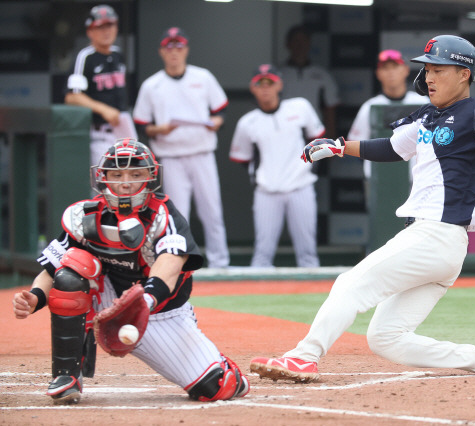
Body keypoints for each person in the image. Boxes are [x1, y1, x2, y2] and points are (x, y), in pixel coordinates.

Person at [249, 35, 475, 382]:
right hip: (440, 245)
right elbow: (391, 147)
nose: (429, 77)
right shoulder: (429, 116)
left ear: (464, 74)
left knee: (350, 284)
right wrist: (340, 147)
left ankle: (304, 356)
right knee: (386, 339)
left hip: (437, 234)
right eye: (427, 69)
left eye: (439, 69)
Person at [12, 138, 248, 405]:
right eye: (117, 174)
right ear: (103, 178)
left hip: (160, 311)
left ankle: (225, 371)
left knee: (215, 387)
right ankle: (67, 377)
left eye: (135, 174)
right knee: (72, 269)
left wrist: (141, 305)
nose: (125, 182)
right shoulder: (84, 216)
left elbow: (169, 266)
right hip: (108, 296)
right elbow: (52, 268)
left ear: (150, 177)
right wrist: (35, 297)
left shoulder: (163, 215)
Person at [133, 27, 230, 268]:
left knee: (212, 212)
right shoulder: (151, 85)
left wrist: (215, 123)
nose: (174, 52)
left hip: (202, 152)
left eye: (178, 47)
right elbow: (142, 124)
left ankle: (220, 264)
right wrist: (160, 129)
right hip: (171, 155)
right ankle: (179, 263)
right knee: (178, 214)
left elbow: (221, 111)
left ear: (186, 49)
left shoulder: (203, 77)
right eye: (169, 47)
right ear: (161, 52)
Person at [229, 65, 325, 268]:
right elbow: (242, 159)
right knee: (262, 254)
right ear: (252, 88)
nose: (265, 88)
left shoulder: (300, 107)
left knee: (308, 254)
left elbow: (317, 140)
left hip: (301, 186)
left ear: (279, 85)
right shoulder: (247, 122)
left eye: (270, 83)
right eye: (260, 84)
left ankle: (314, 298)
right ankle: (255, 299)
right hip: (267, 191)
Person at [64, 4, 130, 166]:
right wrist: (103, 109)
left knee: (131, 183)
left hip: (123, 129)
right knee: (105, 186)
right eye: (100, 27)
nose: (106, 31)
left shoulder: (118, 55)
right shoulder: (85, 56)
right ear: (90, 31)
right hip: (99, 133)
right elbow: (72, 96)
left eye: (110, 25)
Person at [348, 49, 428, 180]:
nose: (391, 72)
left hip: (417, 181)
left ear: (405, 70)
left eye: (395, 66)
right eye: (385, 68)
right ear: (378, 73)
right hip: (379, 180)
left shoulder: (422, 103)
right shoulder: (369, 107)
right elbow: (356, 146)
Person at [280, 25, 340, 137]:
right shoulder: (279, 74)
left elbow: (330, 109)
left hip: (314, 133)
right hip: (285, 132)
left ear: (309, 43)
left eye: (304, 40)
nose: (300, 45)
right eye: (296, 40)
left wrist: (331, 139)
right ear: (288, 44)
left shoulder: (323, 75)